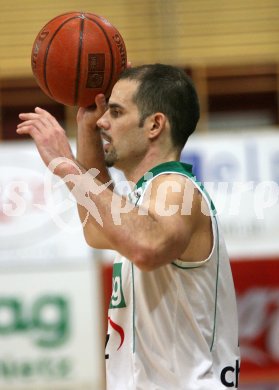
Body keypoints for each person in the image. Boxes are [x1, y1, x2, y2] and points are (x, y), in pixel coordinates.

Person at [17, 64, 240, 390]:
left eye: (116, 112)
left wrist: (66, 164)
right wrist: (86, 128)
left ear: (154, 125)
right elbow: (97, 229)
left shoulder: (175, 188)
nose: (103, 121)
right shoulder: (147, 196)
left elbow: (145, 249)